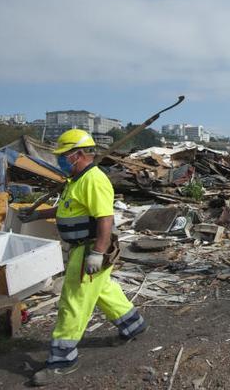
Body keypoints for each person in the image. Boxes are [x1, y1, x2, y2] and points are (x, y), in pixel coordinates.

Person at [20, 129, 147, 386]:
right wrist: (38, 215)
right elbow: (67, 209)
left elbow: (105, 219)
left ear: (77, 155)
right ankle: (133, 325)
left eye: (63, 155)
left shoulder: (94, 180)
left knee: (73, 303)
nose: (60, 160)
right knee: (103, 290)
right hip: (80, 248)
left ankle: (62, 360)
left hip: (88, 249)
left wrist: (97, 254)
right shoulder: (75, 180)